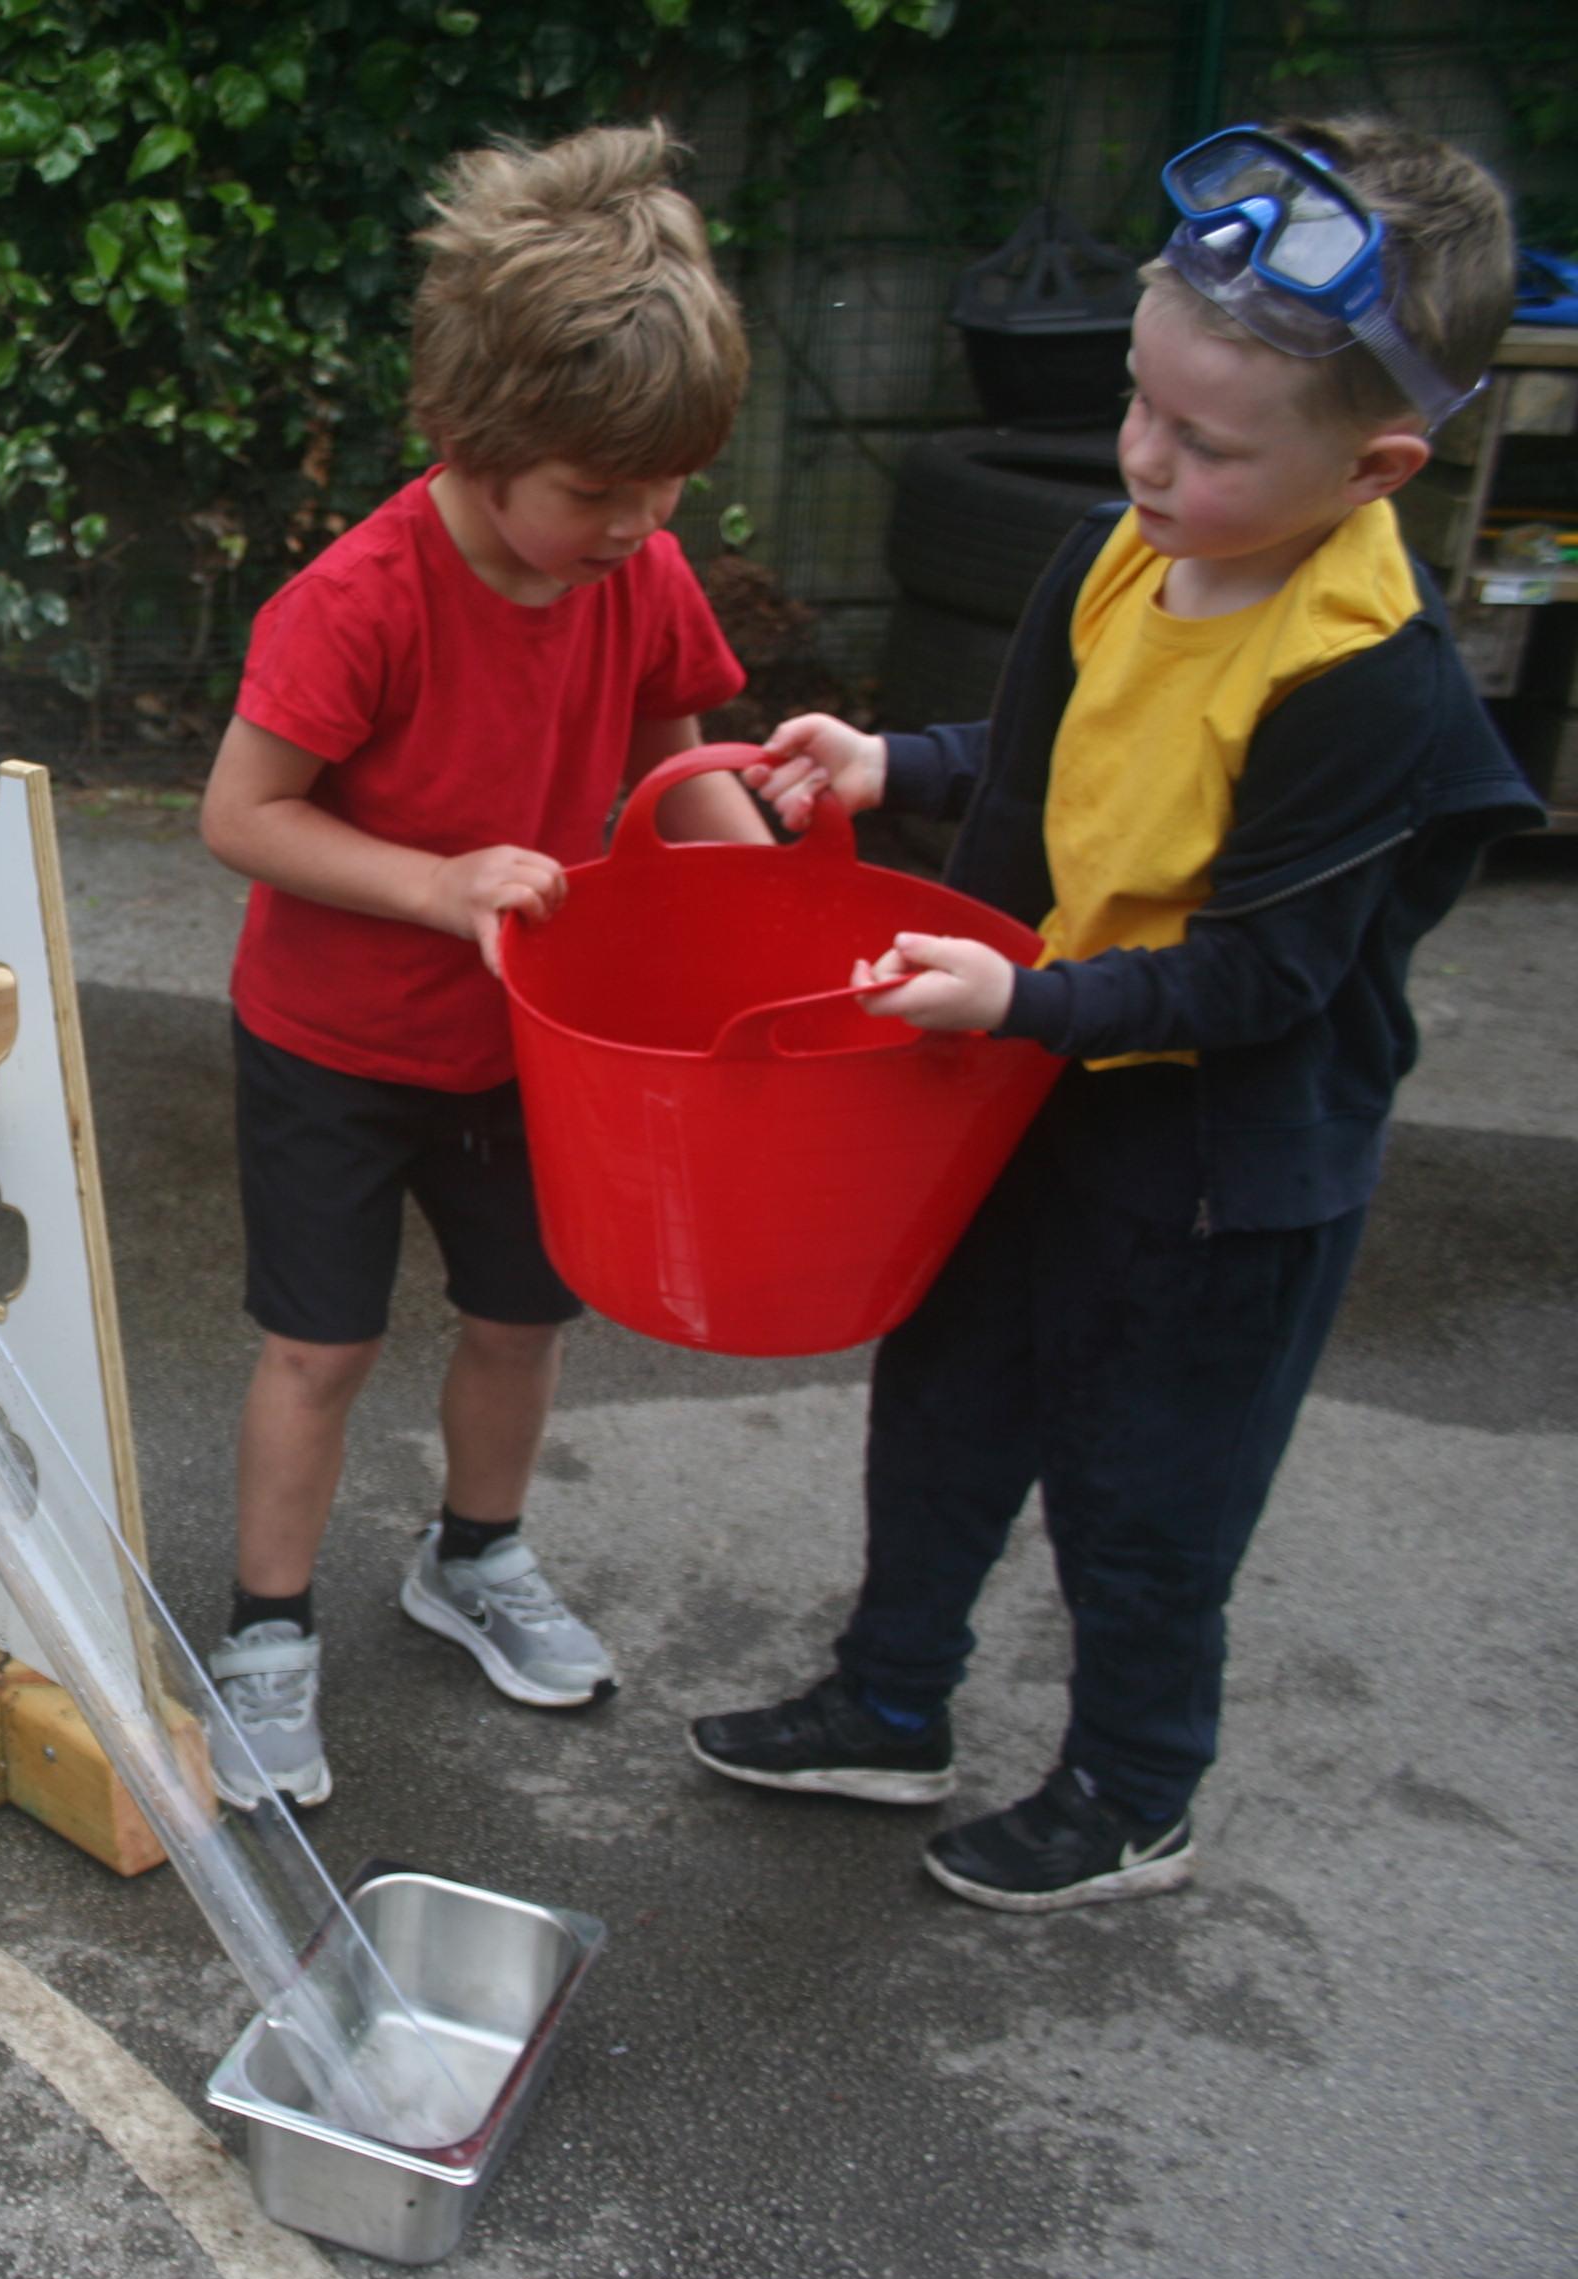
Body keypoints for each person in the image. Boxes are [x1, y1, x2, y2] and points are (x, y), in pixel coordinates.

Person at [692, 117, 1542, 1911]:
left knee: (1148, 1501)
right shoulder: (1124, 549)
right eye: (1140, 407)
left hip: (1222, 1171)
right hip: (1034, 1083)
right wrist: (894, 757)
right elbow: (1069, 759)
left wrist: (1019, 993)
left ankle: (1136, 1792)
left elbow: (1262, 977)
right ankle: (891, 1700)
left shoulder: (1362, 683)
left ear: (1379, 466)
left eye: (1207, 443)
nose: (1148, 458)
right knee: (946, 1404)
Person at [195, 121, 769, 1808]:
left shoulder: (639, 572)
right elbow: (244, 816)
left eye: (668, 486)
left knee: (522, 1319)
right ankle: (268, 1633)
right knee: (322, 1348)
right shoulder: (357, 601)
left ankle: (475, 1557)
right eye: (600, 490)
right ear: (472, 430)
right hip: (333, 1041)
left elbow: (681, 769)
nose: (641, 523)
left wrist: (801, 910)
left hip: (539, 1045)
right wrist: (440, 887)